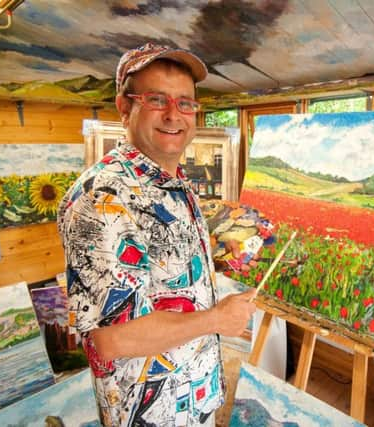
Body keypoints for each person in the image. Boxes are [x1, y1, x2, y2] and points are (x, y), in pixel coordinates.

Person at [58, 42, 257, 427]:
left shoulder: (173, 182)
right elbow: (112, 341)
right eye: (156, 99)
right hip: (150, 414)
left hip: (191, 395)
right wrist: (217, 319)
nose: (173, 114)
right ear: (124, 107)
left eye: (185, 103)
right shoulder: (104, 198)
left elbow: (168, 286)